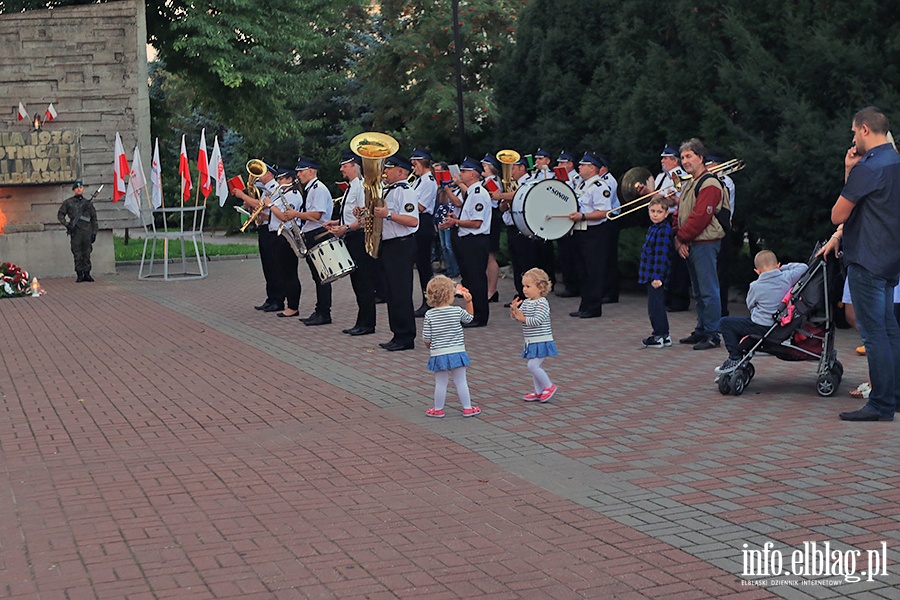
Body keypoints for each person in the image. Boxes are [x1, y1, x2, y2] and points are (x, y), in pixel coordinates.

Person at [819, 106, 900, 422]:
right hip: (890, 258)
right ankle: (892, 397)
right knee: (889, 328)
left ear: (865, 129)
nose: (853, 138)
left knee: (874, 333)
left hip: (867, 257)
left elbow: (838, 214)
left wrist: (850, 170)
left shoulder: (870, 166)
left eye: (854, 132)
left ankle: (880, 404)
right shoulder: (895, 161)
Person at [674, 138, 729, 350]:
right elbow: (679, 213)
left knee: (709, 290)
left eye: (689, 156)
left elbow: (700, 217)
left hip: (705, 242)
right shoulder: (690, 183)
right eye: (683, 157)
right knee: (698, 291)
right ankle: (702, 328)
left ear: (700, 157)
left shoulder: (710, 183)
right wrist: (678, 238)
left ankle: (713, 333)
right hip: (692, 241)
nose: (685, 161)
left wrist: (682, 238)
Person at [714, 251, 807, 373]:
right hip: (781, 327)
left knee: (725, 323)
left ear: (757, 271)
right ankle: (741, 355)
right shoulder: (787, 277)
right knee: (740, 323)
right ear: (778, 265)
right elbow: (803, 267)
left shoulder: (755, 286)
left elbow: (750, 305)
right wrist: (782, 268)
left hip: (760, 327)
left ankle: (735, 357)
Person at [325, 151, 376, 335]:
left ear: (354, 166)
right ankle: (361, 321)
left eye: (344, 166)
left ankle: (367, 323)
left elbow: (365, 217)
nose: (341, 169)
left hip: (359, 237)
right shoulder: (351, 187)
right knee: (357, 281)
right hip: (351, 235)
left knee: (363, 281)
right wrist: (337, 223)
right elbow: (350, 214)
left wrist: (346, 228)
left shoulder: (361, 187)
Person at [441, 157, 492, 327]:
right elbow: (470, 217)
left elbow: (477, 223)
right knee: (469, 279)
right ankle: (472, 313)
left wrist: (456, 222)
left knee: (476, 279)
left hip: (476, 241)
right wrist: (458, 219)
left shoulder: (478, 193)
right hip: (468, 239)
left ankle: (479, 315)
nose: (460, 174)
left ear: (473, 174)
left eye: (464, 171)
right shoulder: (471, 192)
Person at [567, 151, 618, 319]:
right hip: (580, 231)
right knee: (583, 270)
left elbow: (604, 212)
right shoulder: (581, 184)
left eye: (583, 165)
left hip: (594, 232)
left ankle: (594, 307)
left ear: (592, 168)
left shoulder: (599, 186)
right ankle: (585, 304)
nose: (579, 167)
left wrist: (583, 216)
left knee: (593, 270)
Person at [376, 155, 419, 351]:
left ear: (400, 171)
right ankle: (397, 334)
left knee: (401, 292)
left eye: (389, 168)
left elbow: (412, 221)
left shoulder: (406, 191)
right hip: (389, 245)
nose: (385, 171)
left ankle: (406, 337)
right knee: (392, 292)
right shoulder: (389, 190)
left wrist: (389, 214)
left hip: (401, 245)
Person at [422, 275, 481, 418]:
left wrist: (430, 347)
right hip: (457, 351)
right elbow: (469, 318)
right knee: (461, 381)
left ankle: (438, 409)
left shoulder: (429, 315)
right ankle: (467, 408)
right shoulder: (456, 311)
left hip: (438, 353)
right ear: (449, 294)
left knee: (441, 383)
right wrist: (469, 302)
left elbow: (426, 337)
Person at [233, 163, 284, 312]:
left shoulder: (274, 188)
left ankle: (278, 299)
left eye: (261, 172)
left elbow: (263, 205)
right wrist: (252, 209)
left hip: (272, 231)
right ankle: (271, 297)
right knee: (267, 265)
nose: (258, 176)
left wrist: (244, 196)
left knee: (274, 266)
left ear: (269, 173)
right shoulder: (264, 190)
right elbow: (263, 209)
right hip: (264, 227)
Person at [291, 157, 335, 326]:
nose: (298, 174)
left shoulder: (318, 189)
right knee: (317, 277)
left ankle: (324, 312)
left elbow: (317, 215)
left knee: (322, 276)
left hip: (319, 234)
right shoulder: (311, 189)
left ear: (311, 171)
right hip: (311, 234)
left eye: (301, 171)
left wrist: (295, 215)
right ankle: (320, 310)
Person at [492, 155, 540, 304]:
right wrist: (503, 201)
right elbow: (502, 206)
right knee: (517, 263)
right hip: (512, 227)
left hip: (525, 228)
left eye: (513, 167)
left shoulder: (530, 182)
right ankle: (520, 293)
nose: (511, 171)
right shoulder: (511, 184)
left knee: (526, 263)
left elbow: (521, 195)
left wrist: (501, 195)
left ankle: (531, 296)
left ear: (522, 168)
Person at [510, 268, 558, 402]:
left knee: (533, 366)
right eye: (523, 286)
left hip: (542, 340)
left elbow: (537, 320)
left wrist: (522, 318)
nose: (524, 289)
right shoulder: (527, 302)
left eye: (528, 286)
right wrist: (514, 311)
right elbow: (519, 316)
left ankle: (549, 386)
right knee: (534, 367)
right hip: (531, 341)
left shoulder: (542, 303)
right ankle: (539, 391)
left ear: (540, 288)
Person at [655, 145, 691, 312]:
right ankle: (667, 295)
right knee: (665, 259)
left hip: (673, 218)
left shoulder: (678, 176)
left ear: (674, 160)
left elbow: (676, 199)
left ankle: (678, 298)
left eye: (665, 158)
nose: (662, 161)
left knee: (676, 261)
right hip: (661, 219)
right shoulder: (663, 177)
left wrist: (651, 194)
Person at [266, 168, 303, 318]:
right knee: (281, 272)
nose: (279, 182)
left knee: (289, 273)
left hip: (287, 236)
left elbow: (284, 216)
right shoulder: (282, 195)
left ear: (289, 179)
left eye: (281, 179)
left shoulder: (293, 195)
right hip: (276, 235)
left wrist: (270, 205)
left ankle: (293, 306)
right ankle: (288, 303)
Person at [639, 197, 673, 348]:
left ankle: (658, 334)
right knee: (655, 304)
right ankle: (664, 335)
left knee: (656, 306)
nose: (655, 215)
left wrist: (657, 276)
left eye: (659, 212)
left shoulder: (664, 230)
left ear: (666, 213)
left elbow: (662, 255)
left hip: (655, 275)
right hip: (649, 273)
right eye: (652, 211)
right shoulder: (653, 228)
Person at [707, 155, 737, 317]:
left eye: (710, 165)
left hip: (722, 230)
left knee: (720, 273)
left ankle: (721, 310)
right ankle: (710, 312)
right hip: (708, 232)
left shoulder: (726, 181)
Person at [410, 148, 438, 317]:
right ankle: (425, 300)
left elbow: (420, 206)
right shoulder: (419, 180)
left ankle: (430, 301)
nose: (413, 168)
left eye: (415, 164)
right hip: (418, 222)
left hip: (424, 222)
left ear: (423, 163)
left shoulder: (429, 181)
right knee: (420, 265)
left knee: (424, 265)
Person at [57, 180, 98, 282]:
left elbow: (94, 218)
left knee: (87, 253)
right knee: (77, 254)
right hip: (76, 232)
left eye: (81, 187)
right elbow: (60, 215)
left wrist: (94, 232)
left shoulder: (88, 204)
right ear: (74, 190)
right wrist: (67, 225)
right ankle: (79, 274)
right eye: (77, 188)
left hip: (87, 232)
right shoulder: (68, 202)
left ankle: (87, 274)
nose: (79, 189)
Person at [554, 150, 582, 298]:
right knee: (564, 253)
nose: (559, 165)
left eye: (562, 162)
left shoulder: (576, 178)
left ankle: (574, 285)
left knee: (571, 253)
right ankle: (569, 283)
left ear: (570, 164)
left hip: (572, 218)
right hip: (562, 218)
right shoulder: (558, 178)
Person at [481, 153, 504, 304]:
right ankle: (488, 288)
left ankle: (492, 289)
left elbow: (494, 201)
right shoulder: (486, 180)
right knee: (485, 255)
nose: (483, 167)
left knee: (490, 255)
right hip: (487, 217)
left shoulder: (493, 181)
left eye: (485, 165)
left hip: (492, 218)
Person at [433, 162, 461, 281]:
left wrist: (447, 189)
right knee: (443, 246)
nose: (437, 174)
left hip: (451, 216)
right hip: (442, 217)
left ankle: (455, 270)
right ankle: (449, 269)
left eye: (440, 171)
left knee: (449, 246)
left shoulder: (454, 185)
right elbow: (441, 202)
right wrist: (442, 191)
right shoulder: (440, 186)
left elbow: (457, 202)